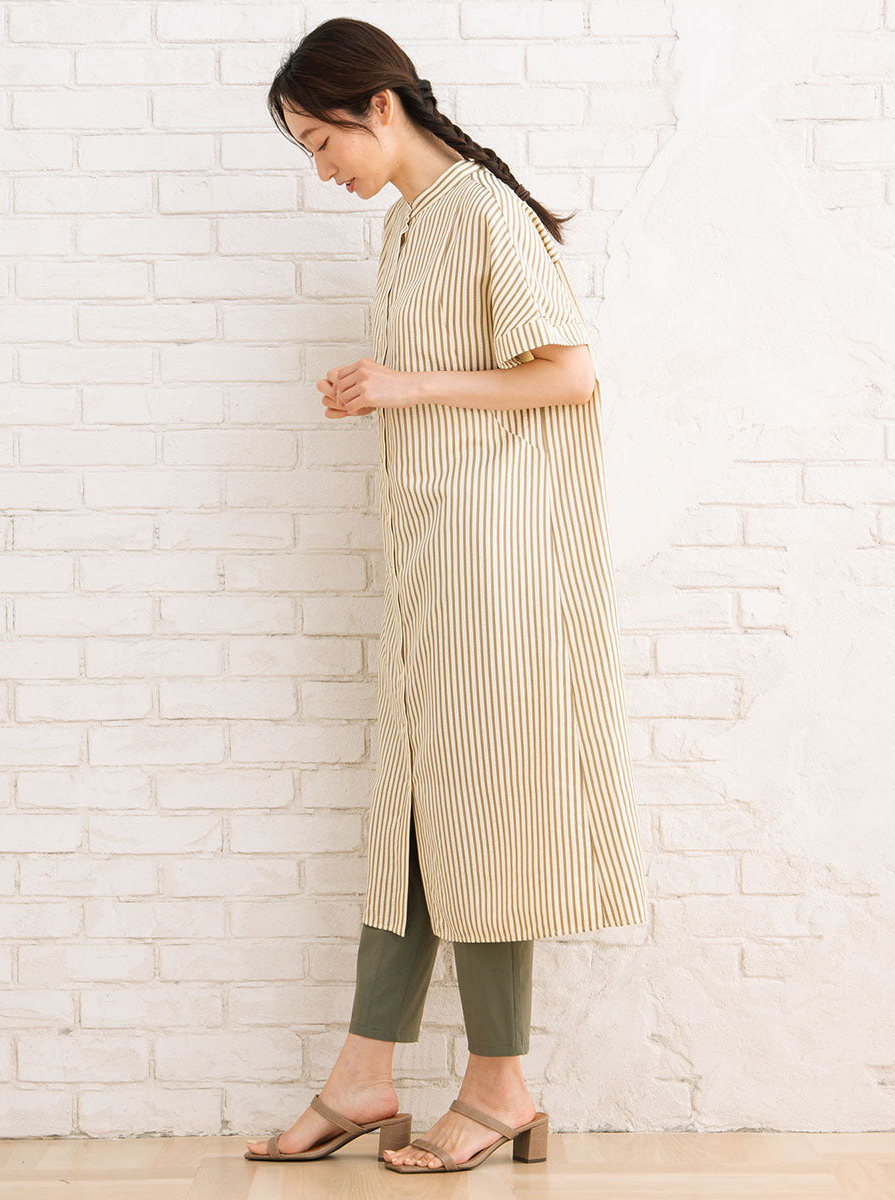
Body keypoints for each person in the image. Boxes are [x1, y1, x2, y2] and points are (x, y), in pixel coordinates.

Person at [245, 16, 648, 1174]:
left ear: (378, 106)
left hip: (500, 567)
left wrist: (405, 385)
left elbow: (570, 375)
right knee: (417, 814)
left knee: (484, 810)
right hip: (439, 564)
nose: (323, 169)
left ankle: (499, 1084)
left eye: (323, 141)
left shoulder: (482, 211)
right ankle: (364, 1073)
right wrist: (390, 392)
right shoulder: (412, 222)